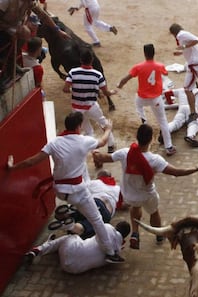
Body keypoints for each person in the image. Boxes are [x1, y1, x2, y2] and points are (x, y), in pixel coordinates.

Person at [8, 111, 124, 263]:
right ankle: (110, 252)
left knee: (82, 173)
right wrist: (108, 128)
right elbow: (102, 142)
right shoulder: (83, 141)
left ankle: (70, 217)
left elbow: (31, 162)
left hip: (60, 192)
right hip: (77, 191)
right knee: (97, 220)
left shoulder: (54, 143)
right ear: (79, 126)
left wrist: (12, 167)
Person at [92, 123, 198, 250]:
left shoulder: (125, 153)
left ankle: (135, 233)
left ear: (136, 137)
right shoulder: (155, 160)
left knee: (135, 207)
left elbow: (104, 158)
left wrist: (95, 153)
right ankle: (158, 235)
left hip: (129, 195)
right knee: (154, 212)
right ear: (151, 139)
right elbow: (177, 172)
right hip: (147, 195)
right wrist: (196, 168)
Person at [117, 43, 176, 156]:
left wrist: (120, 85)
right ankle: (169, 147)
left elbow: (126, 78)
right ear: (154, 53)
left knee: (138, 104)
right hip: (156, 99)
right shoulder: (160, 65)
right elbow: (166, 73)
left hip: (142, 98)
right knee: (163, 122)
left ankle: (143, 119)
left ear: (144, 54)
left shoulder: (138, 67)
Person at [63, 48, 116, 154]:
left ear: (81, 60)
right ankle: (110, 145)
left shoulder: (72, 72)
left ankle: (94, 150)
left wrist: (74, 90)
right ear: (91, 60)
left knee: (88, 131)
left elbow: (65, 89)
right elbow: (105, 92)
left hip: (77, 108)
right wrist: (112, 92)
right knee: (103, 123)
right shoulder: (97, 75)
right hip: (91, 106)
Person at [24, 221, 131, 274]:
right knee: (74, 243)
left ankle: (39, 249)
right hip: (74, 269)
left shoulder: (108, 228)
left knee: (72, 237)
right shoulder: (117, 253)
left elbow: (101, 233)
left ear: (116, 227)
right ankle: (50, 246)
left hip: (70, 250)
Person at [50, 169, 121, 239]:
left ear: (99, 177)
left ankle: (67, 213)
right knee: (86, 226)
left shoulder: (94, 183)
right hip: (105, 210)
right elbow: (124, 205)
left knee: (81, 210)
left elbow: (81, 192)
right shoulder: (117, 188)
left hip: (92, 202)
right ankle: (69, 226)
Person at [169, 23, 198, 124]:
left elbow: (197, 40)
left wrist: (183, 46)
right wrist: (180, 52)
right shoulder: (183, 34)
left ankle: (193, 113)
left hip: (195, 63)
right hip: (194, 62)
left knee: (187, 89)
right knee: (191, 71)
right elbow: (190, 48)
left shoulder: (181, 35)